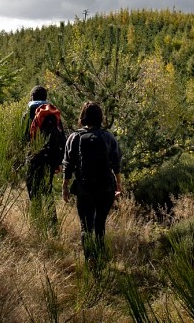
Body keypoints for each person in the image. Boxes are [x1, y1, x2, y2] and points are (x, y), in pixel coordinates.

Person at [61, 101, 122, 267]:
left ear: (83, 116)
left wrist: (65, 186)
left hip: (84, 188)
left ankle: (90, 259)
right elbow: (116, 162)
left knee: (85, 226)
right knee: (100, 223)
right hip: (105, 187)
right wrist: (118, 184)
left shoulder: (75, 137)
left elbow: (68, 164)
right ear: (100, 117)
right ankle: (101, 257)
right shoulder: (108, 137)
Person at [24, 85, 65, 232]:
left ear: (32, 97)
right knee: (47, 192)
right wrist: (57, 162)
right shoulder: (53, 114)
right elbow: (62, 139)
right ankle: (53, 228)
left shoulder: (28, 113)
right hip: (49, 161)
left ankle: (37, 228)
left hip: (33, 159)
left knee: (34, 194)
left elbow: (23, 138)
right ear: (45, 97)